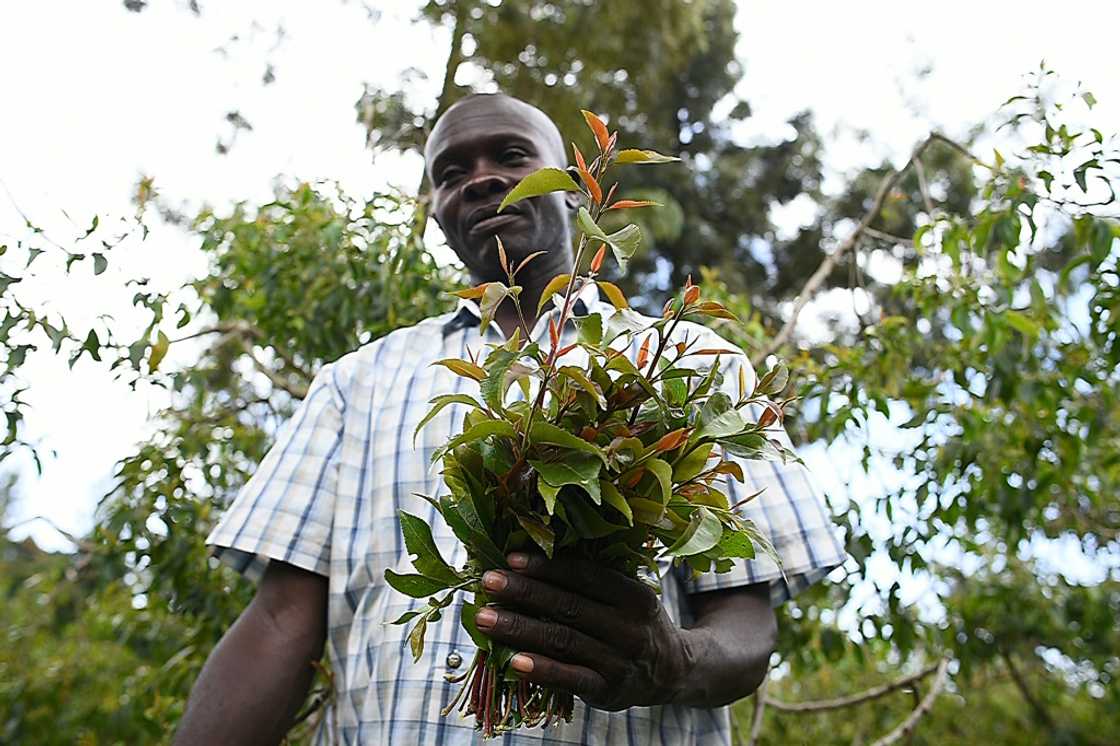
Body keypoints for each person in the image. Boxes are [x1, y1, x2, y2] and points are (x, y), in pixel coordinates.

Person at [172, 93, 845, 745]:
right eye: (450, 173)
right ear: (436, 214)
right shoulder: (357, 382)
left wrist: (670, 663)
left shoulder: (690, 362)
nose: (480, 180)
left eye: (512, 156)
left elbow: (746, 626)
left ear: (578, 191)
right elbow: (279, 622)